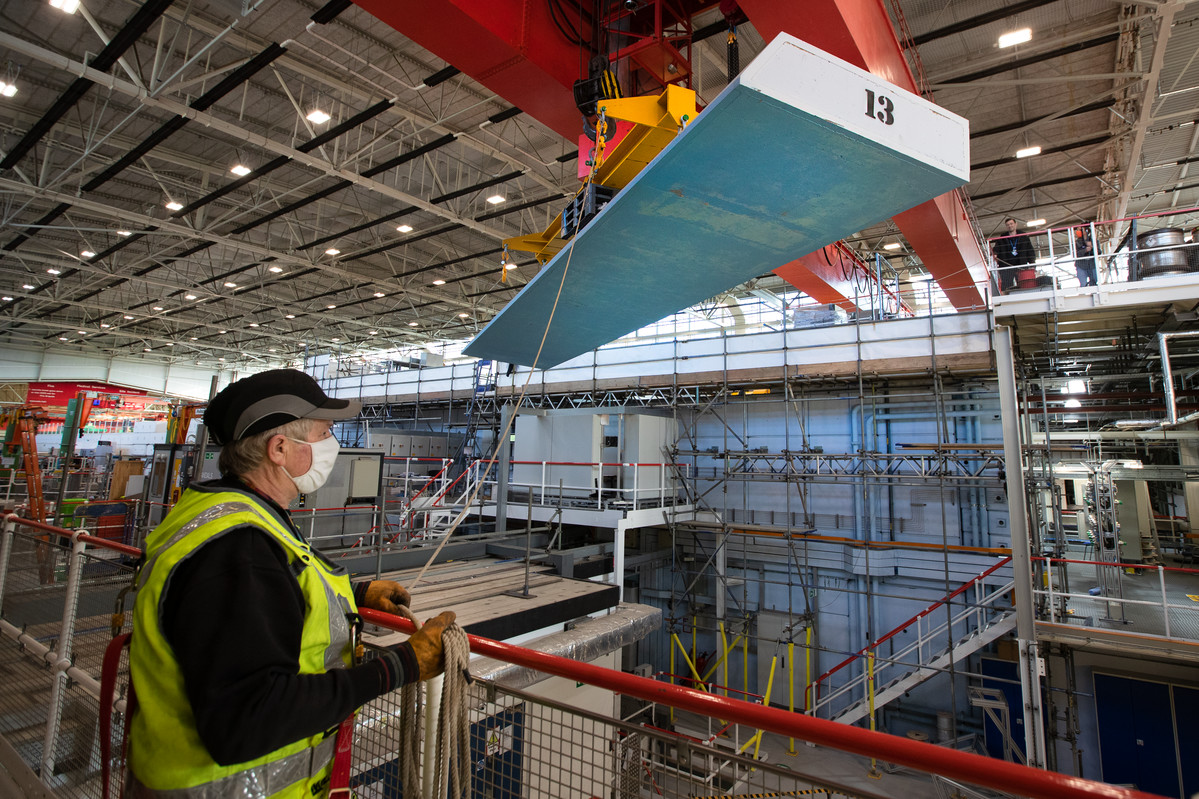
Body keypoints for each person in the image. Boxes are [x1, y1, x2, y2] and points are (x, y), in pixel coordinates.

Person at [129, 369, 456, 798]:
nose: (331, 443)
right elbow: (250, 716)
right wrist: (402, 665)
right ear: (279, 449)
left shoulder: (232, 514)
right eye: (323, 432)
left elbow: (264, 599)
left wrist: (353, 596)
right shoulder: (238, 549)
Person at [991, 217, 1037, 293]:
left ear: (1015, 224)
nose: (1010, 226)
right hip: (1007, 266)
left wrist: (1032, 264)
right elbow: (997, 248)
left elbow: (1030, 250)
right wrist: (994, 254)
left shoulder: (1023, 236)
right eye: (1007, 225)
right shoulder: (1002, 238)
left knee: (1022, 284)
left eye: (1011, 224)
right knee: (1007, 285)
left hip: (1020, 265)